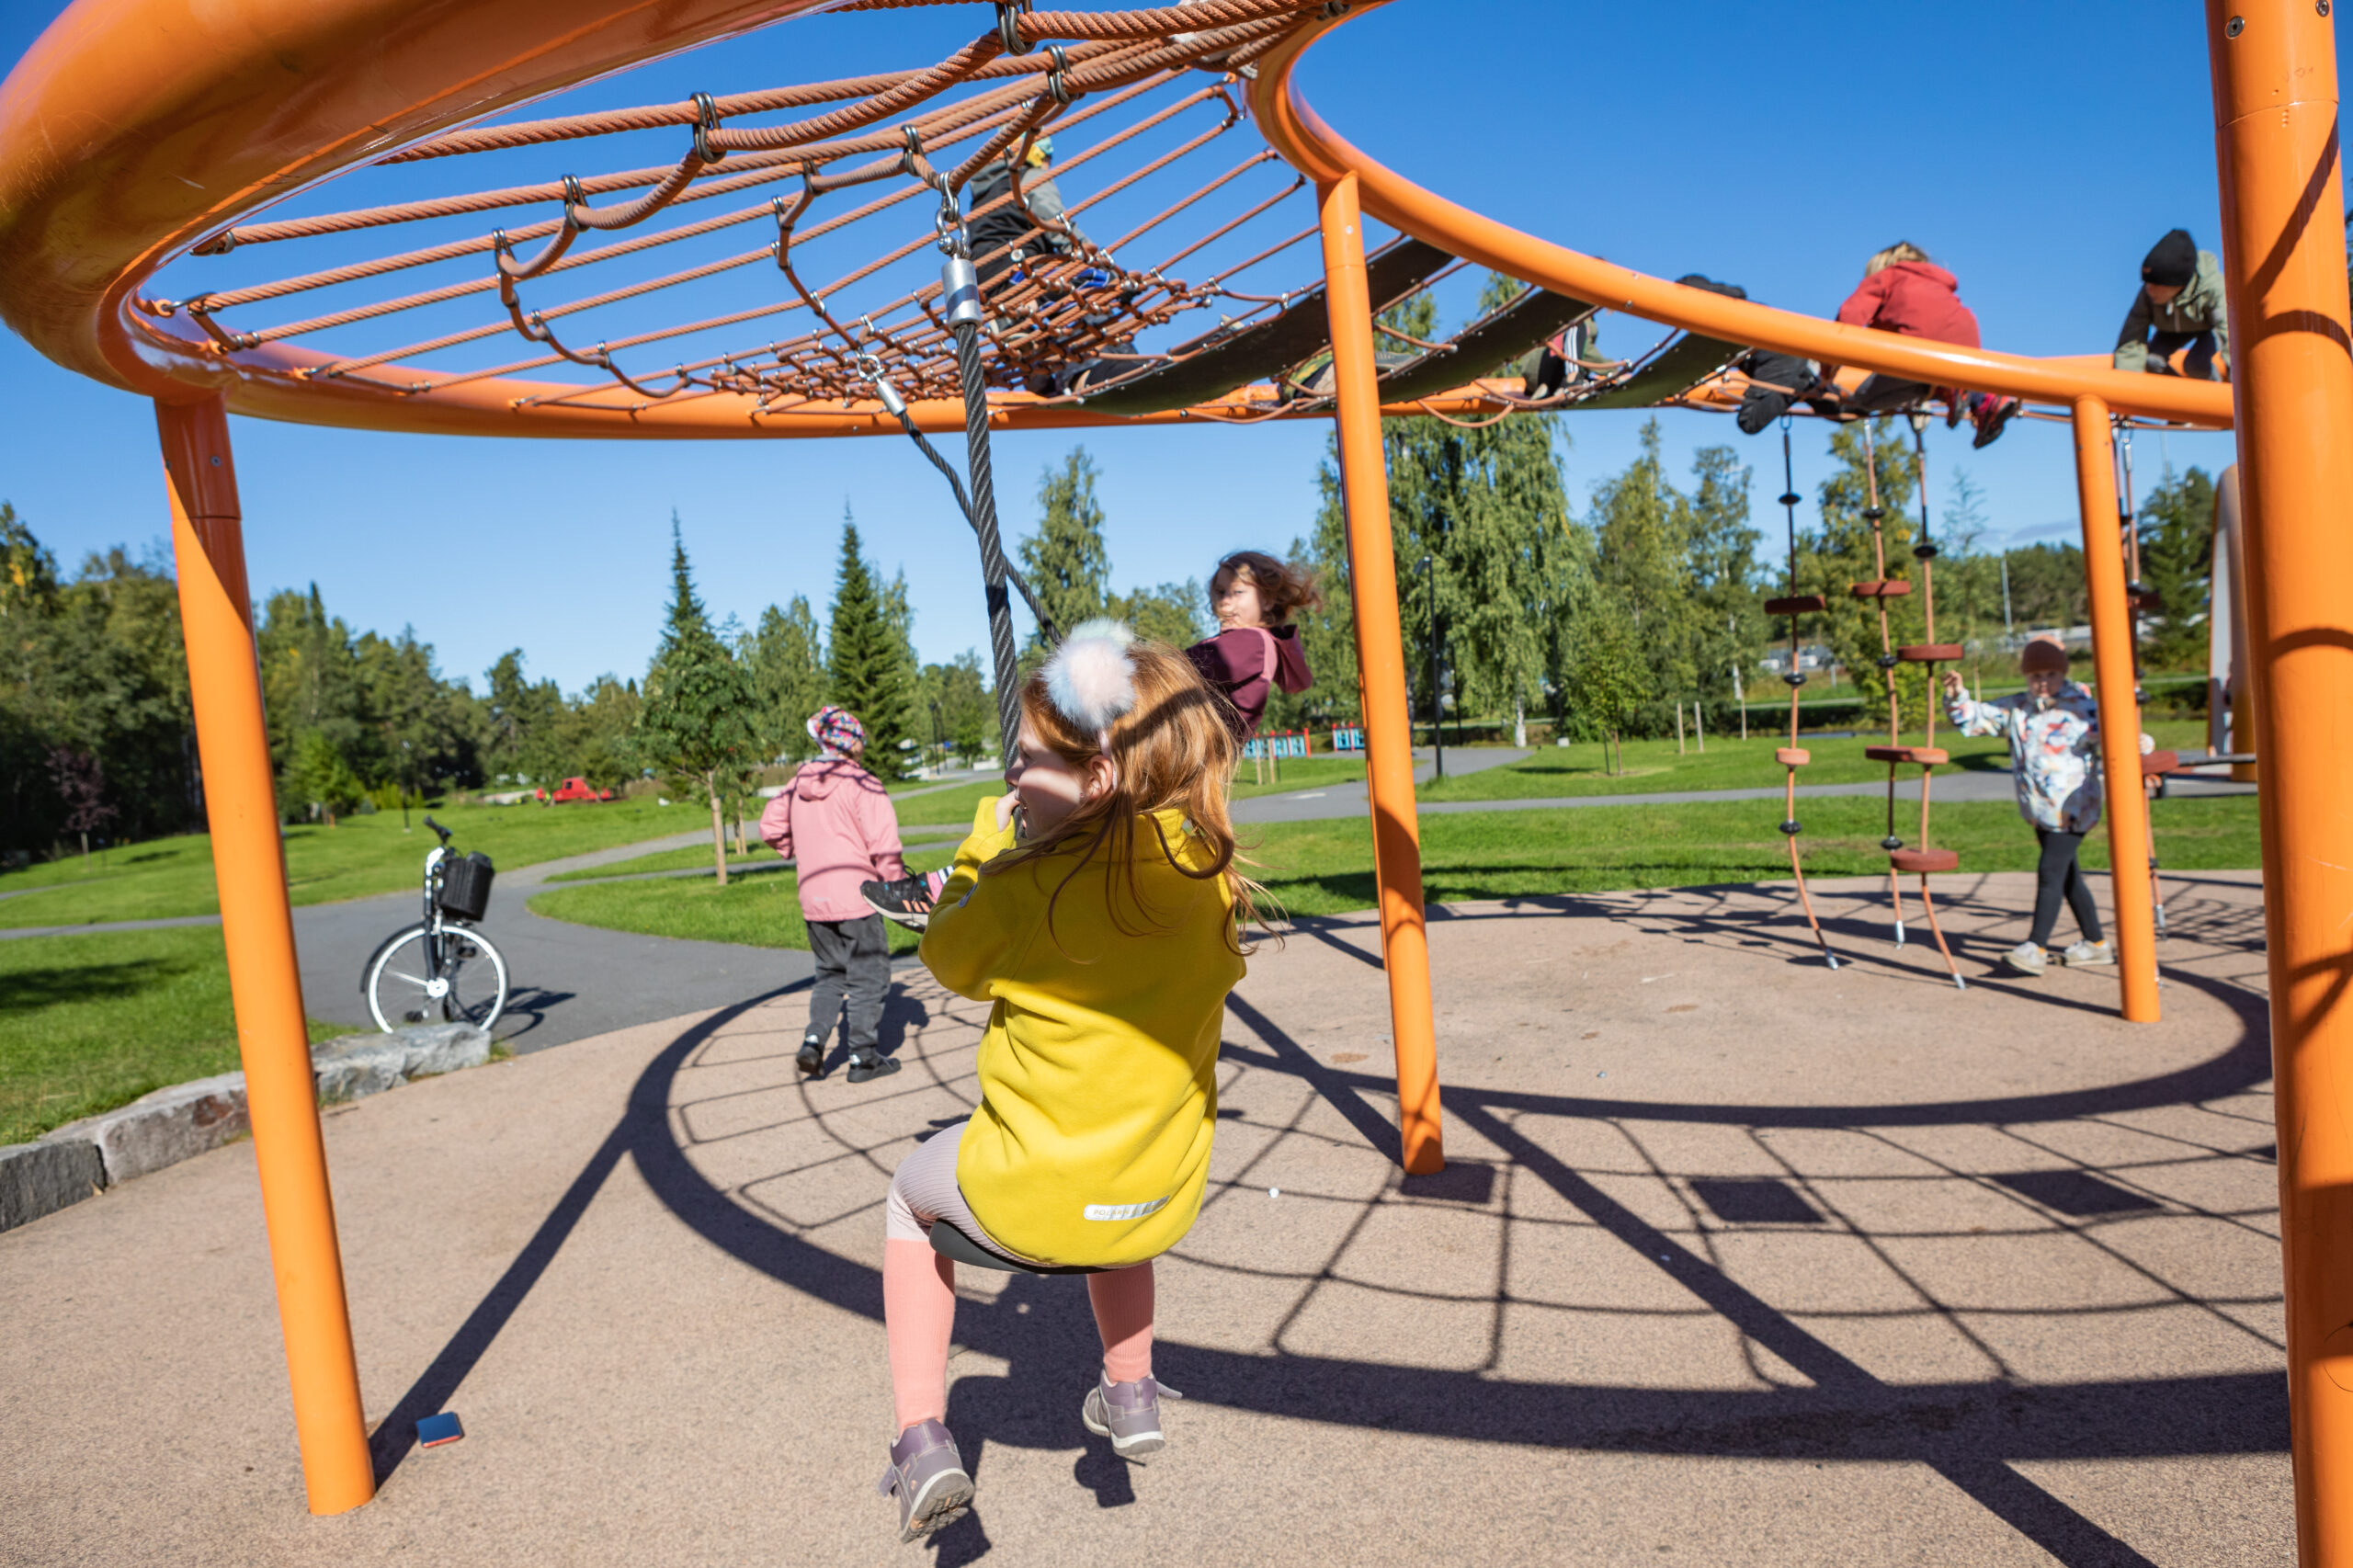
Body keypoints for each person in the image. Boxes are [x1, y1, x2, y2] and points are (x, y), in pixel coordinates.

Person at [871, 620, 1255, 1542]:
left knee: (905, 1200)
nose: (1012, 780)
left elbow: (945, 953)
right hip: (1158, 1196)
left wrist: (977, 851)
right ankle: (1130, 1389)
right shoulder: (1205, 877)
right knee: (1115, 1172)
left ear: (1097, 777)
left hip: (1026, 1197)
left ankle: (921, 1435)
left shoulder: (1018, 888)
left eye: (1029, 762)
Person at [757, 705, 913, 1083]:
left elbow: (769, 826)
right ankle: (863, 1059)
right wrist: (897, 890)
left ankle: (814, 1041)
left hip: (814, 898)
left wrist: (799, 850)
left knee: (829, 974)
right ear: (851, 743)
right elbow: (884, 846)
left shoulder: (797, 783)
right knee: (869, 976)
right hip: (857, 897)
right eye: (860, 739)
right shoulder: (863, 783)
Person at [1940, 641, 2110, 976]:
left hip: (2074, 808)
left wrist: (2140, 743)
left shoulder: (2082, 709)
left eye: (2050, 674)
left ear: (2063, 673)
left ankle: (2036, 946)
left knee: (2050, 872)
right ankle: (2096, 944)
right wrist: (1957, 694)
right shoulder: (2019, 709)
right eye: (2035, 675)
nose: (2043, 682)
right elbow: (1975, 719)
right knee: (2068, 877)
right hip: (2040, 810)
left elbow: (2116, 735)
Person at [1816, 243, 2020, 449]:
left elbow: (1847, 320)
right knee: (1936, 373)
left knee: (1863, 399)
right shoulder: (1934, 282)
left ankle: (1944, 388)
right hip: (1967, 340)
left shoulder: (1887, 277)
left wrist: (1826, 374)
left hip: (1920, 347)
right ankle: (1982, 400)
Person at [1183, 550, 1315, 741]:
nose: (1225, 601)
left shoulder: (1253, 643)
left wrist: (1143, 664)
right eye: (1221, 592)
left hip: (1197, 748)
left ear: (1267, 601)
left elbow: (1188, 666)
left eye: (1237, 592)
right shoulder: (1247, 641)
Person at [967, 133, 1094, 292]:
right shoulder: (1031, 177)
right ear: (1037, 154)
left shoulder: (982, 195)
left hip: (982, 279)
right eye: (1048, 159)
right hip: (1019, 267)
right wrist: (1100, 264)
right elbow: (1058, 226)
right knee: (1094, 283)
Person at [2115, 228, 2230, 380]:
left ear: (2178, 284)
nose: (2149, 290)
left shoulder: (2213, 288)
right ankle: (2184, 397)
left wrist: (2242, 382)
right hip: (2171, 329)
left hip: (2209, 328)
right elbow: (2130, 343)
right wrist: (2125, 390)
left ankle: (2217, 394)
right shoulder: (2147, 294)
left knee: (2195, 364)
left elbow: (2229, 333)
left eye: (2157, 285)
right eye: (2147, 283)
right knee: (2151, 361)